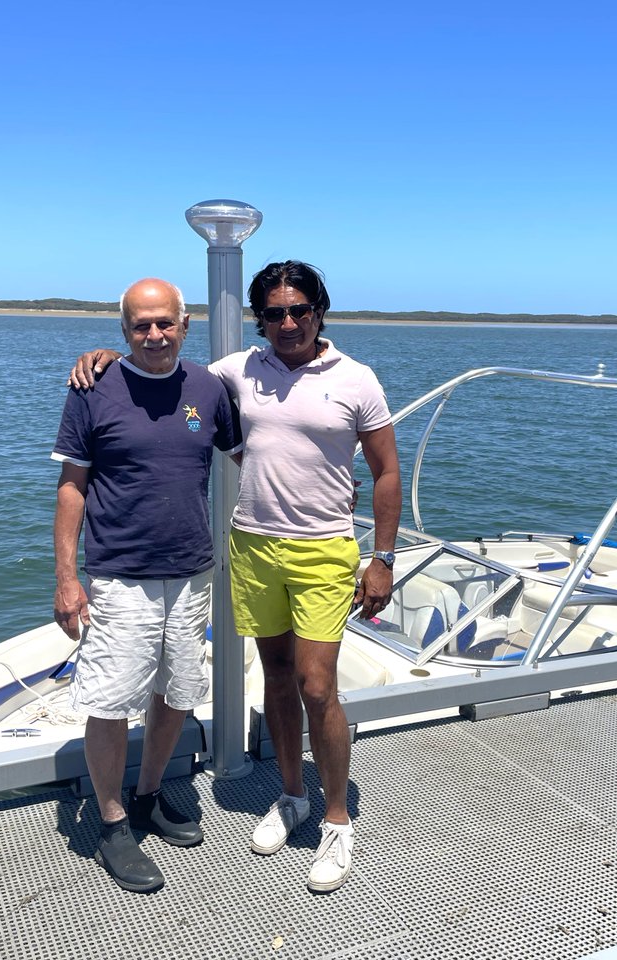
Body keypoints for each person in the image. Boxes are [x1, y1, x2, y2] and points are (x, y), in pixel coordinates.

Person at [70, 260, 401, 893]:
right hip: (251, 546)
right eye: (273, 312)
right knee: (276, 678)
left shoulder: (357, 379)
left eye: (299, 310)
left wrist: (382, 557)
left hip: (325, 549)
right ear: (259, 319)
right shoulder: (236, 371)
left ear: (320, 311)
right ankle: (290, 794)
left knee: (317, 685)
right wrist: (104, 354)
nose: (287, 322)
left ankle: (337, 821)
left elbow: (386, 470)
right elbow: (162, 364)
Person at [53, 277, 241, 894]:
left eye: (165, 323)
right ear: (123, 330)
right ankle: (111, 823)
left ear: (185, 324)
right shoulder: (92, 386)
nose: (154, 335)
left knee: (179, 691)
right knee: (108, 702)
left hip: (191, 570)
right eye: (141, 325)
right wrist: (67, 577)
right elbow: (72, 487)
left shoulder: (209, 388)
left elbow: (252, 455)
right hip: (118, 576)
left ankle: (148, 795)